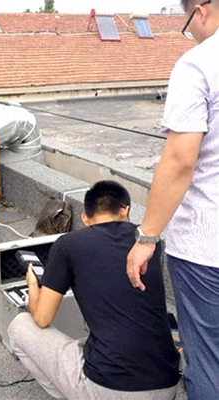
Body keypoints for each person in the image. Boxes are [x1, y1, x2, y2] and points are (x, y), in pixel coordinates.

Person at [8, 180, 180, 400]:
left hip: (111, 388)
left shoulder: (68, 245)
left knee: (20, 326)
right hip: (168, 383)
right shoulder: (150, 246)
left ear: (84, 218)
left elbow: (42, 318)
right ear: (125, 210)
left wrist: (33, 285)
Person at [126, 1, 219, 399]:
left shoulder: (199, 64)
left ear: (200, 10)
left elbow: (181, 160)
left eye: (186, 25)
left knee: (208, 360)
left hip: (207, 248)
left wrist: (146, 238)